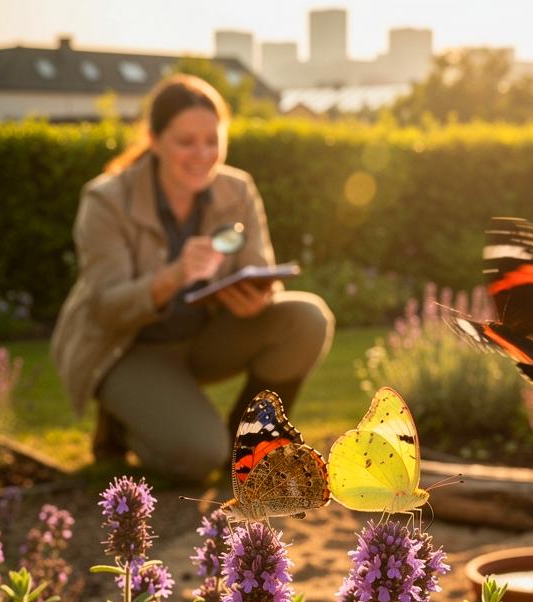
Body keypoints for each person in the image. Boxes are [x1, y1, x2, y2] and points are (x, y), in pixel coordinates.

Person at [51, 74, 334, 483]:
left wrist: (259, 298)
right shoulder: (105, 200)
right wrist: (174, 276)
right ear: (154, 138)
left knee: (308, 319)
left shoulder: (238, 189)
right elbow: (106, 309)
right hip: (125, 350)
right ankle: (124, 425)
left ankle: (246, 448)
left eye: (212, 141)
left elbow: (258, 265)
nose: (202, 154)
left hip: (203, 337)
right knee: (196, 456)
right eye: (187, 141)